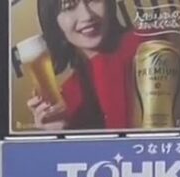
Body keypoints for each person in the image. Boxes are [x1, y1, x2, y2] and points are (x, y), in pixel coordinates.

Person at [25, 0, 151, 131]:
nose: (87, 16)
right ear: (53, 22)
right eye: (68, 7)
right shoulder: (66, 100)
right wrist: (61, 134)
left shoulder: (149, 47)